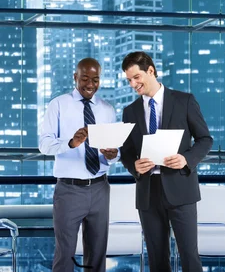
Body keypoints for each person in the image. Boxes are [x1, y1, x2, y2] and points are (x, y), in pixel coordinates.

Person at [120, 51, 213, 272]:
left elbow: (205, 139)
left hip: (181, 189)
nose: (133, 84)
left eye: (136, 77)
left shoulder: (184, 101)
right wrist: (134, 165)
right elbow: (126, 152)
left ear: (150, 71)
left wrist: (186, 159)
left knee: (190, 257)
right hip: (148, 193)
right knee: (157, 259)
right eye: (129, 80)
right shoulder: (130, 111)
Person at [39, 58, 119, 272]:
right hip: (69, 190)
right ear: (75, 77)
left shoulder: (107, 109)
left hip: (100, 188)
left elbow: (115, 152)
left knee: (97, 253)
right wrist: (71, 143)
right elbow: (44, 145)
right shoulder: (58, 105)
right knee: (65, 254)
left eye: (95, 79)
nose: (90, 84)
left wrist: (112, 154)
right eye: (85, 78)